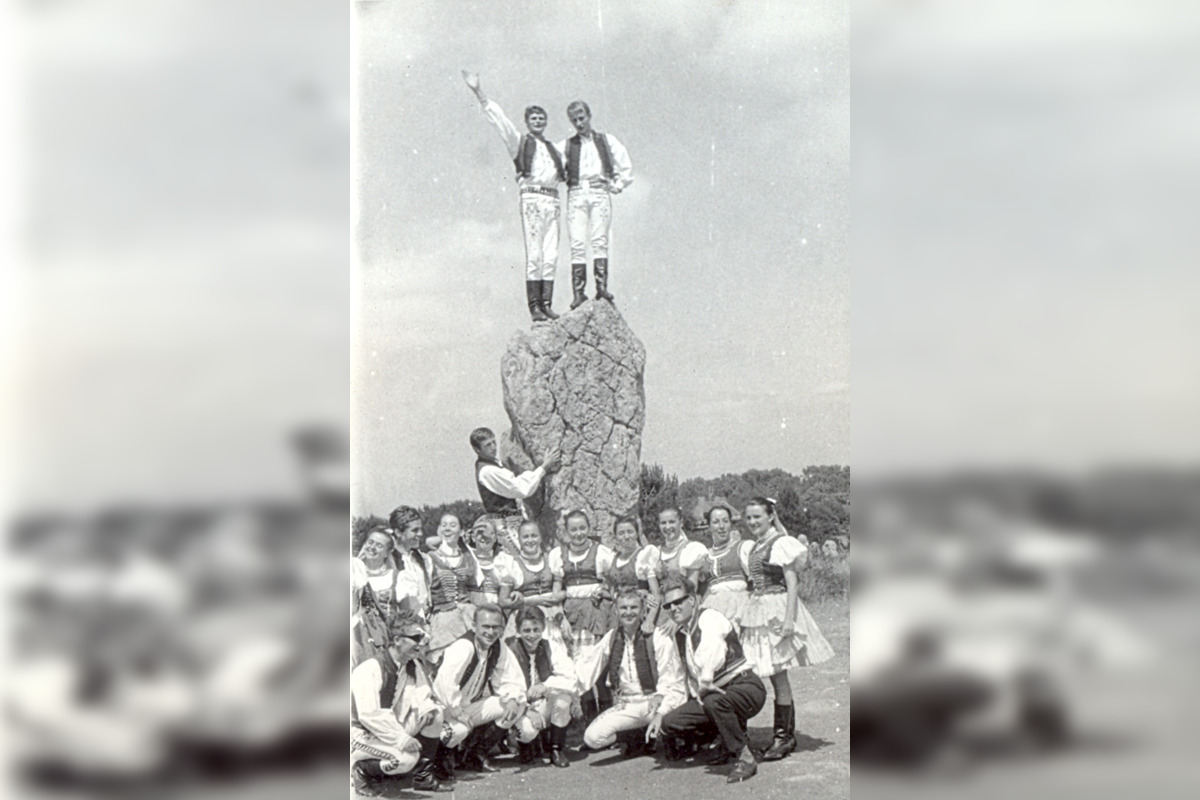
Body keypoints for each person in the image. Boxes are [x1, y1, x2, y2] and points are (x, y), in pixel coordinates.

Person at [462, 71, 566, 322]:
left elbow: (574, 165)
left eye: (542, 118)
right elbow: (501, 122)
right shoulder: (519, 142)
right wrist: (479, 92)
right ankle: (535, 307)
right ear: (528, 122)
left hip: (552, 200)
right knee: (536, 255)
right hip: (532, 199)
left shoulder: (555, 149)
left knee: (551, 255)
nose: (538, 121)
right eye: (534, 118)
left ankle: (547, 303)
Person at [740, 497, 835, 762]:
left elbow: (792, 583)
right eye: (749, 518)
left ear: (770, 516)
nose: (752, 522)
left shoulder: (780, 542)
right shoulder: (758, 544)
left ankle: (784, 737)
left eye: (757, 517)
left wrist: (789, 620)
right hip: (758, 608)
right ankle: (775, 734)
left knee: (778, 675)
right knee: (764, 671)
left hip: (777, 608)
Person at [658, 579, 766, 783]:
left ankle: (744, 757)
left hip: (744, 686)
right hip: (714, 694)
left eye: (678, 602)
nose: (673, 608)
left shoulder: (709, 617)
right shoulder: (681, 635)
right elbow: (683, 678)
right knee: (672, 721)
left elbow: (713, 645)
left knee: (713, 702)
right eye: (668, 605)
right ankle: (727, 739)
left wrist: (706, 679)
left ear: (692, 599)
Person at [574, 591, 687, 759]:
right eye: (623, 608)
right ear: (616, 612)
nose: (628, 612)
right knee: (592, 738)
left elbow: (670, 677)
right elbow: (587, 667)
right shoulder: (612, 637)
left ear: (642, 611)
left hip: (654, 702)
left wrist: (661, 702)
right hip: (627, 704)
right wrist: (569, 693)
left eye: (634, 607)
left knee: (670, 713)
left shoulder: (657, 637)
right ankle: (638, 736)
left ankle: (665, 734)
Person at [351, 609, 446, 795]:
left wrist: (426, 708)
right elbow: (369, 715)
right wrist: (402, 738)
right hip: (360, 734)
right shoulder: (370, 669)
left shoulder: (411, 664)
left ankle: (422, 777)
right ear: (396, 640)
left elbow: (422, 692)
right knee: (405, 760)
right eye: (416, 638)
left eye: (423, 637)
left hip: (389, 727)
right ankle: (360, 770)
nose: (421, 643)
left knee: (435, 715)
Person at [432, 604, 528, 776]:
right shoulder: (464, 647)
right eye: (486, 626)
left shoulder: (498, 647)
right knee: (459, 730)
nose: (491, 632)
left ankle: (476, 754)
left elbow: (512, 678)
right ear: (474, 626)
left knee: (515, 705)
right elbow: (443, 684)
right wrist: (457, 711)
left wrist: (513, 698)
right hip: (443, 709)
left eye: (496, 627)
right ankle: (437, 761)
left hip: (468, 707)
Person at [556, 100, 633, 309]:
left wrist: (615, 184)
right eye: (575, 120)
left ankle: (601, 288)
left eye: (582, 118)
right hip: (577, 192)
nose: (579, 123)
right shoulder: (567, 145)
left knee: (600, 240)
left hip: (599, 192)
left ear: (589, 116)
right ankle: (578, 293)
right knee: (577, 243)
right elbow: (550, 161)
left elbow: (625, 166)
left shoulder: (607, 141)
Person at [548, 510, 615, 722]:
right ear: (566, 532)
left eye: (582, 528)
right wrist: (561, 617)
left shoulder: (601, 552)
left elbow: (613, 583)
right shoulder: (558, 555)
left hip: (596, 612)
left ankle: (605, 720)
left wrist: (602, 590)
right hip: (571, 614)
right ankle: (587, 721)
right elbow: (556, 590)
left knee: (598, 665)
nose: (578, 533)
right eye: (573, 529)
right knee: (579, 668)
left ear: (589, 528)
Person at [504, 606, 580, 767]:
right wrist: (526, 709)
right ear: (518, 630)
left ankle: (556, 749)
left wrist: (545, 686)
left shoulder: (551, 646)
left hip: (543, 701)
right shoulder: (509, 649)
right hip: (521, 706)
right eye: (526, 630)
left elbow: (570, 677)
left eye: (536, 629)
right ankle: (526, 745)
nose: (531, 635)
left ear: (543, 628)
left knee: (563, 699)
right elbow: (506, 684)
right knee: (528, 731)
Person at [470, 427, 561, 555]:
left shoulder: (493, 464)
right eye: (487, 445)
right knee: (520, 560)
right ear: (477, 450)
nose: (493, 447)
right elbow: (521, 488)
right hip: (505, 524)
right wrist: (544, 467)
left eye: (493, 442)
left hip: (512, 521)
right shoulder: (487, 471)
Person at [499, 520, 569, 647]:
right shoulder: (511, 563)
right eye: (525, 537)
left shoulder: (552, 558)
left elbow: (567, 588)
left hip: (552, 614)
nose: (530, 540)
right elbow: (503, 601)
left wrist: (558, 597)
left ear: (540, 538)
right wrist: (530, 601)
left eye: (534, 535)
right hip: (524, 616)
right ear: (519, 539)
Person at [426, 514, 485, 659]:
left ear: (462, 531)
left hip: (467, 614)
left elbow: (477, 586)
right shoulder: (429, 558)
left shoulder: (468, 556)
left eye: (453, 525)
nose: (447, 529)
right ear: (438, 529)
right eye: (444, 525)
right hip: (442, 617)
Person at [699, 505, 753, 632]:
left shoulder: (742, 548)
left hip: (740, 605)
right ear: (709, 526)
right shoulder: (704, 556)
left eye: (725, 521)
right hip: (713, 605)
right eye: (716, 522)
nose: (721, 526)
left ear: (730, 524)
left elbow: (756, 581)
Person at [605, 516, 661, 632]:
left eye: (630, 532)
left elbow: (656, 594)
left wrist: (649, 620)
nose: (626, 537)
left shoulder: (643, 557)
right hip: (618, 613)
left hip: (639, 611)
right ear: (615, 537)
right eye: (621, 533)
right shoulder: (613, 558)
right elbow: (611, 587)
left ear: (637, 534)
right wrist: (615, 596)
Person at [656, 507, 708, 627]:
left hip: (682, 607)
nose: (668, 527)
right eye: (663, 523)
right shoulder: (656, 552)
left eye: (672, 522)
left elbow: (691, 588)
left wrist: (677, 618)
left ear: (681, 522)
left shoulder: (691, 549)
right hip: (661, 609)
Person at [465, 514, 519, 608]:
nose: (484, 537)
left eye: (490, 533)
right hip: (470, 612)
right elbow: (431, 542)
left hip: (497, 614)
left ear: (495, 538)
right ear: (473, 537)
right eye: (480, 533)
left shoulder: (505, 560)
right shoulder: (466, 557)